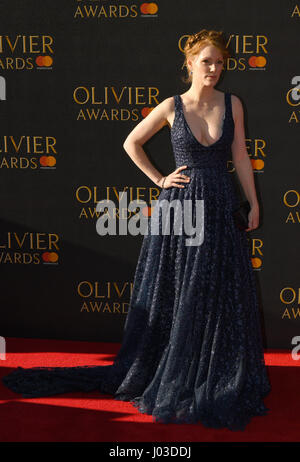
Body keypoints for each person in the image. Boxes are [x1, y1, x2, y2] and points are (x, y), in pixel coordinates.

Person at [2, 29, 271, 431]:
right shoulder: (171, 106)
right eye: (206, 62)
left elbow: (241, 156)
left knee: (215, 290)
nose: (214, 69)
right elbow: (132, 143)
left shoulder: (232, 104)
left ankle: (211, 369)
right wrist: (160, 179)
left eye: (220, 62)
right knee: (180, 288)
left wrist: (254, 202)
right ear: (190, 64)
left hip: (219, 206)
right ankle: (174, 366)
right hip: (179, 210)